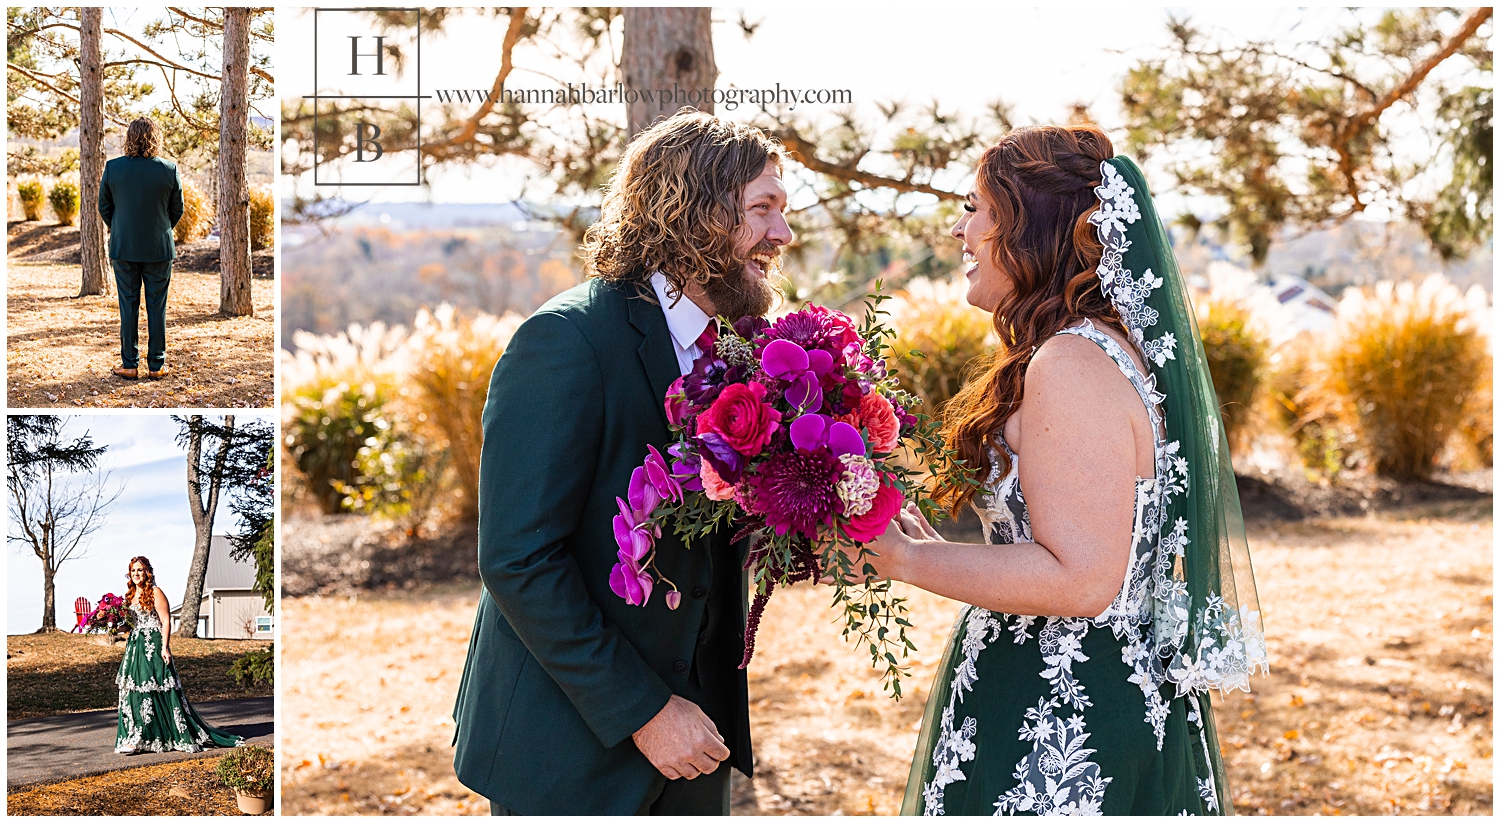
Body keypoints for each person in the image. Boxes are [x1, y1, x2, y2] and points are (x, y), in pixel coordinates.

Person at [861, 125, 1268, 815]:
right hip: (1082, 690)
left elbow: (1079, 577)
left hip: (1065, 720)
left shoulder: (1072, 363)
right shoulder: (1091, 349)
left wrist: (903, 559)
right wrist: (930, 546)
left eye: (975, 207)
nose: (961, 230)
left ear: (1029, 227)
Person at [451, 109, 794, 815]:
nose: (782, 236)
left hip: (697, 744)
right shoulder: (562, 342)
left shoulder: (736, 350)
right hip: (569, 750)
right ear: (696, 211)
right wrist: (645, 711)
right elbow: (518, 559)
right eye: (763, 210)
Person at [114, 556, 243, 754]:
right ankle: (137, 736)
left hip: (153, 644)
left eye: (140, 570)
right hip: (135, 647)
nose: (136, 574)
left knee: (154, 688)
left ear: (147, 572)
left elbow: (166, 622)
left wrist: (164, 647)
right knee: (134, 691)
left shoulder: (155, 592)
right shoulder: (129, 596)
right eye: (133, 571)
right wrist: (110, 622)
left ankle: (152, 735)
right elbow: (127, 626)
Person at [98, 116, 185, 380]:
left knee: (128, 306)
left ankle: (130, 364)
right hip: (159, 249)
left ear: (129, 139)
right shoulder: (169, 169)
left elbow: (104, 207)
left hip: (124, 248)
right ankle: (156, 366)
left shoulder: (113, 168)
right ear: (156, 138)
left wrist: (121, 228)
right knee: (157, 307)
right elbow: (177, 210)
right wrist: (160, 229)